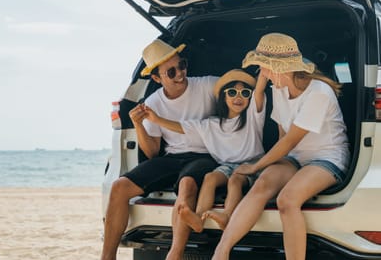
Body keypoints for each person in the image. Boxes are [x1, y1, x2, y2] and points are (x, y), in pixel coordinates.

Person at [211, 33, 350, 260]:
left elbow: (289, 141)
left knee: (287, 200)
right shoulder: (278, 89)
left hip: (327, 158)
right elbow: (282, 135)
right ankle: (221, 252)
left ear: (278, 68)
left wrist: (254, 167)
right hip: (296, 156)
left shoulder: (319, 93)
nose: (262, 74)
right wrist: (268, 168)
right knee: (261, 186)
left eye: (263, 68)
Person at [101, 39, 219, 260]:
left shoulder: (205, 85)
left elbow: (237, 84)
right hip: (172, 157)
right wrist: (137, 125)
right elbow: (153, 152)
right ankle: (107, 257)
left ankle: (175, 254)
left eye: (182, 65)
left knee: (186, 185)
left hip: (206, 155)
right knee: (118, 187)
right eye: (171, 72)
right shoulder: (153, 102)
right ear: (156, 78)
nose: (180, 74)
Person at [143, 69, 266, 259]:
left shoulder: (252, 116)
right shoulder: (211, 124)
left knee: (234, 181)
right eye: (232, 92)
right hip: (225, 165)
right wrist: (156, 119)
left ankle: (226, 215)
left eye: (245, 93)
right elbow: (182, 127)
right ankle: (198, 219)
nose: (238, 97)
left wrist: (264, 73)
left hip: (250, 165)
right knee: (209, 178)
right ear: (223, 97)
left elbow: (259, 92)